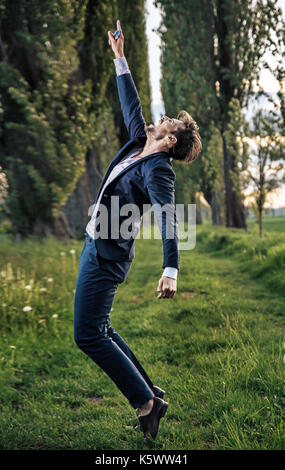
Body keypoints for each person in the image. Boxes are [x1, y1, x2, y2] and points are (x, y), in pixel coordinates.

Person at [73, 19, 202, 440]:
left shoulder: (159, 170)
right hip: (97, 243)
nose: (161, 117)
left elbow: (168, 216)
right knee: (100, 328)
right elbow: (132, 104)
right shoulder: (139, 142)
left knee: (88, 335)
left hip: (106, 254)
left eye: (170, 123)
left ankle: (146, 404)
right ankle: (151, 395)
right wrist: (121, 57)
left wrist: (171, 269)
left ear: (170, 142)